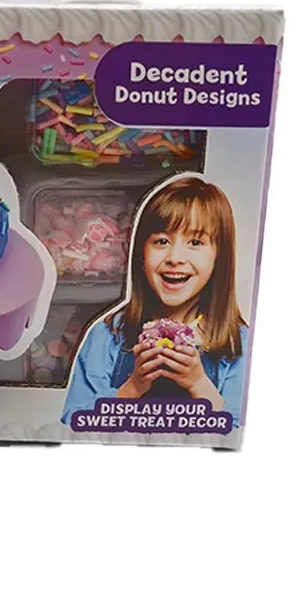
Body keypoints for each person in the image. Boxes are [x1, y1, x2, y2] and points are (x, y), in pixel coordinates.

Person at [62, 177, 247, 426]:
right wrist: (133, 387)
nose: (175, 258)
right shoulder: (109, 334)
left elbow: (242, 434)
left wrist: (197, 384)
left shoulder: (237, 343)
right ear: (141, 253)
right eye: (162, 241)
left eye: (195, 242)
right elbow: (74, 422)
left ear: (219, 257)